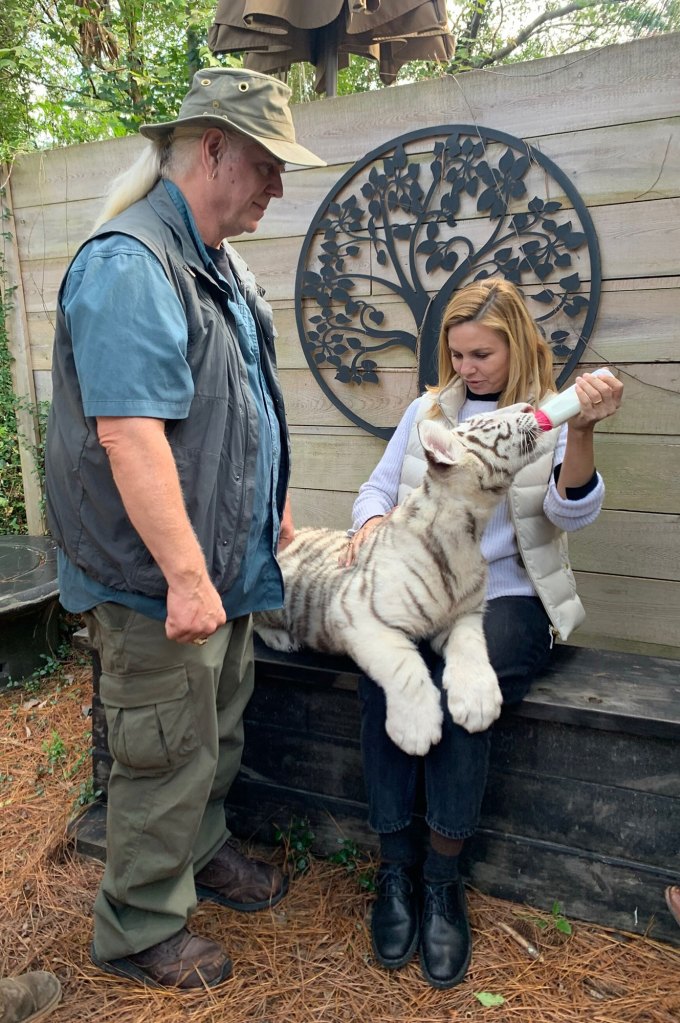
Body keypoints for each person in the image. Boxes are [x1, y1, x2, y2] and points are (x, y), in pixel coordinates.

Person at [45, 68, 325, 991]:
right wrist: (188, 576)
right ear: (211, 150)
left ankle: (199, 854)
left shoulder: (222, 265)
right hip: (160, 579)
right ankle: (138, 926)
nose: (279, 185)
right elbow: (130, 435)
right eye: (266, 163)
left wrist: (268, 501)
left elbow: (237, 405)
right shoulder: (130, 263)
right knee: (163, 750)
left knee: (215, 733)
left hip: (222, 562)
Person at [344, 277, 623, 989]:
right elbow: (375, 490)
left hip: (508, 598)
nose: (467, 368)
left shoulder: (550, 416)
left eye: (482, 354)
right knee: (388, 674)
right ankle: (395, 871)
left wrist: (583, 430)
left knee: (468, 683)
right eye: (458, 353)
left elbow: (571, 515)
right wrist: (373, 525)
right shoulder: (427, 412)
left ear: (518, 344)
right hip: (429, 592)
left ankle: (442, 876)